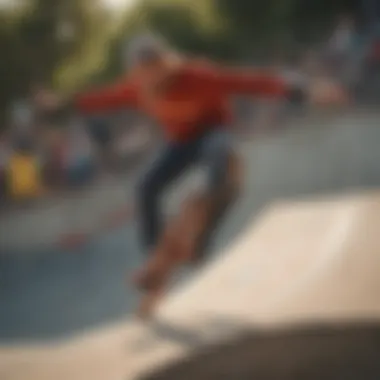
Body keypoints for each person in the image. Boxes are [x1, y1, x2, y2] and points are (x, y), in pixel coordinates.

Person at [39, 34, 348, 256]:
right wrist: (60, 103)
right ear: (136, 74)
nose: (153, 82)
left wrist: (306, 91)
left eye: (157, 72)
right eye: (145, 76)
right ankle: (155, 251)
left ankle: (205, 227)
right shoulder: (135, 89)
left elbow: (252, 82)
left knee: (217, 151)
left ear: (166, 63)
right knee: (146, 188)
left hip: (214, 133)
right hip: (180, 144)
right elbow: (98, 99)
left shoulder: (197, 75)